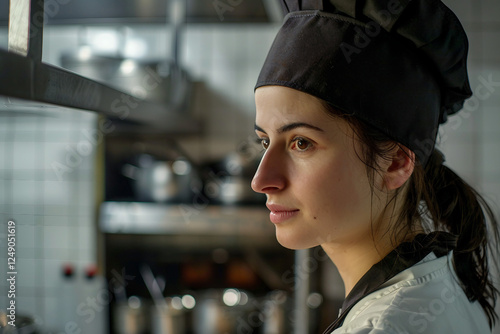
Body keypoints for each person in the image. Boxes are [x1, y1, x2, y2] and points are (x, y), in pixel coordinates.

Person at [250, 0, 499, 333]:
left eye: (301, 143)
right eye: (264, 141)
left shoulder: (382, 326)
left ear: (395, 164)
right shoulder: (447, 281)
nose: (261, 180)